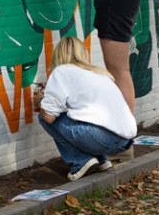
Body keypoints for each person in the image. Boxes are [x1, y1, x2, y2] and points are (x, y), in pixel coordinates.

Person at [35, 36, 136, 181]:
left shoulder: (61, 71)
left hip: (102, 139)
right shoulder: (98, 72)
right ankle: (102, 161)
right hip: (124, 143)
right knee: (76, 116)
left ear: (58, 54)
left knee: (44, 116)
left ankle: (81, 161)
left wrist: (40, 101)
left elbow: (49, 117)